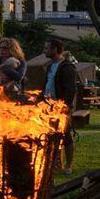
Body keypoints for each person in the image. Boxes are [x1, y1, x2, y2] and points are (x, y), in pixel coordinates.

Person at [40, 36, 82, 168]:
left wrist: (65, 107)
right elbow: (47, 84)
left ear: (55, 49)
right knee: (50, 135)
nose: (44, 51)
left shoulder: (67, 67)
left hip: (61, 107)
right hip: (48, 106)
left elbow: (71, 89)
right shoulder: (50, 66)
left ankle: (68, 165)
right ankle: (54, 162)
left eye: (47, 48)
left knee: (65, 135)